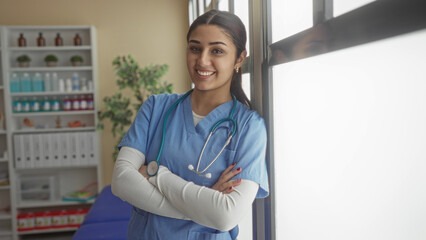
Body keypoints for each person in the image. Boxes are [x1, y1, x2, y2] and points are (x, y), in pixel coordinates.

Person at [112, 10, 269, 240]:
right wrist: (203, 204)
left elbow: (226, 216)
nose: (202, 60)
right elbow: (121, 182)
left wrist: (157, 175)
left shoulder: (249, 127)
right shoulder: (156, 107)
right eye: (195, 48)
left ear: (239, 58)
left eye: (217, 50)